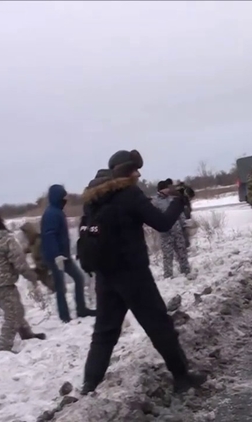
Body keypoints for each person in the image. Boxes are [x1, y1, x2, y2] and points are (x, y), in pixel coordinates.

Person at [79, 149, 207, 395]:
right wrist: (179, 200)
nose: (138, 174)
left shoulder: (94, 199)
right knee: (159, 325)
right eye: (134, 170)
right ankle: (182, 377)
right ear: (124, 172)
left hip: (106, 277)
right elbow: (162, 223)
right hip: (133, 275)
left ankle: (89, 386)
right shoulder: (129, 194)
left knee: (104, 333)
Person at [0, 212, 46, 352]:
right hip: (4, 283)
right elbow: (19, 263)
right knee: (12, 315)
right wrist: (32, 276)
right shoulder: (6, 240)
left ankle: (26, 333)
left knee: (14, 309)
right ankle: (4, 348)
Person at [41, 184, 96, 323]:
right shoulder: (51, 214)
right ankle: (64, 316)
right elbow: (49, 235)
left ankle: (81, 309)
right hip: (56, 257)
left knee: (78, 278)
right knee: (60, 286)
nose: (65, 199)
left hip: (63, 256)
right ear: (57, 197)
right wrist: (56, 255)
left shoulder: (57, 211)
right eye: (63, 196)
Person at [152, 180, 191, 278]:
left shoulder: (172, 199)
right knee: (168, 255)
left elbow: (179, 212)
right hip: (165, 232)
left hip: (177, 230)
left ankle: (185, 270)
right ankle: (168, 275)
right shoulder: (155, 202)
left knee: (182, 251)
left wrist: (184, 224)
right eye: (166, 188)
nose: (168, 190)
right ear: (161, 189)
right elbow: (153, 216)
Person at [19, 223, 55, 292]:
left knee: (54, 288)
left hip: (47, 269)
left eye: (26, 234)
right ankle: (38, 298)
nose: (25, 236)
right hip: (40, 270)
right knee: (29, 276)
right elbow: (24, 251)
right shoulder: (31, 243)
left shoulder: (40, 241)